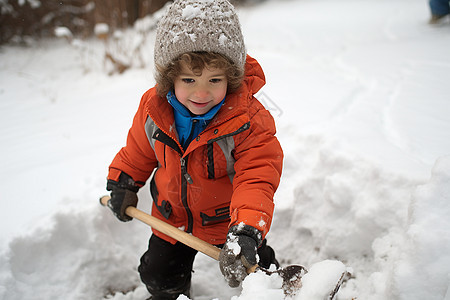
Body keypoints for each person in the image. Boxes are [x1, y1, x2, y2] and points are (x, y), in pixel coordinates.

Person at [105, 0, 283, 299]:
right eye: (189, 80)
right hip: (170, 217)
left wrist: (247, 229)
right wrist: (123, 180)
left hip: (227, 223)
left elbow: (256, 177)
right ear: (169, 79)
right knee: (158, 275)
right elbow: (138, 150)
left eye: (215, 80)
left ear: (232, 78)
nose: (201, 93)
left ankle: (274, 286)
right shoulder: (154, 110)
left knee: (254, 267)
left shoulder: (248, 120)